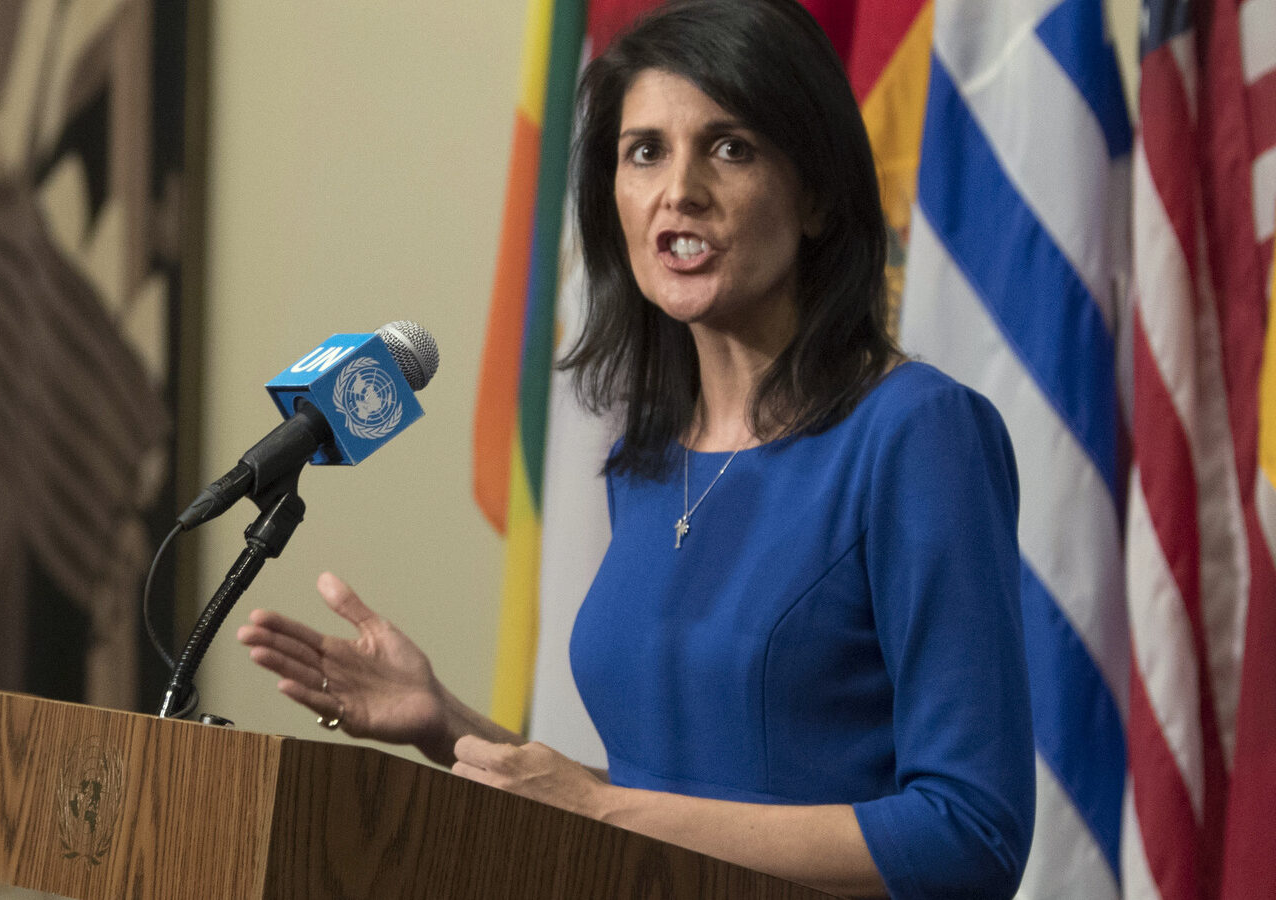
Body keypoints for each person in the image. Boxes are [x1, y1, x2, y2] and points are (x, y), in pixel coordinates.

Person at [236, 1, 1034, 897]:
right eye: (644, 150)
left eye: (730, 147)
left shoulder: (915, 434)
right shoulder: (649, 463)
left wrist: (603, 809)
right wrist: (444, 723)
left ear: (814, 194)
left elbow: (970, 835)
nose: (678, 189)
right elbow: (667, 814)